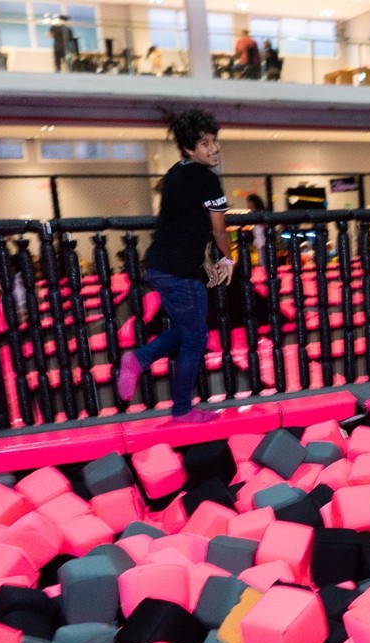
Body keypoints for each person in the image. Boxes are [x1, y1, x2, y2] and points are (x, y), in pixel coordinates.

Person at [117, 109, 234, 423]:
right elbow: (218, 230)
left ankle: (137, 359)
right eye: (205, 144)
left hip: (159, 266)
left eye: (215, 141)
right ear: (189, 149)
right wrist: (227, 258)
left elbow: (184, 225)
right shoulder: (207, 180)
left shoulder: (175, 173)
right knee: (195, 338)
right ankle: (182, 409)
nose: (214, 149)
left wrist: (205, 261)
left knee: (186, 331)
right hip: (180, 273)